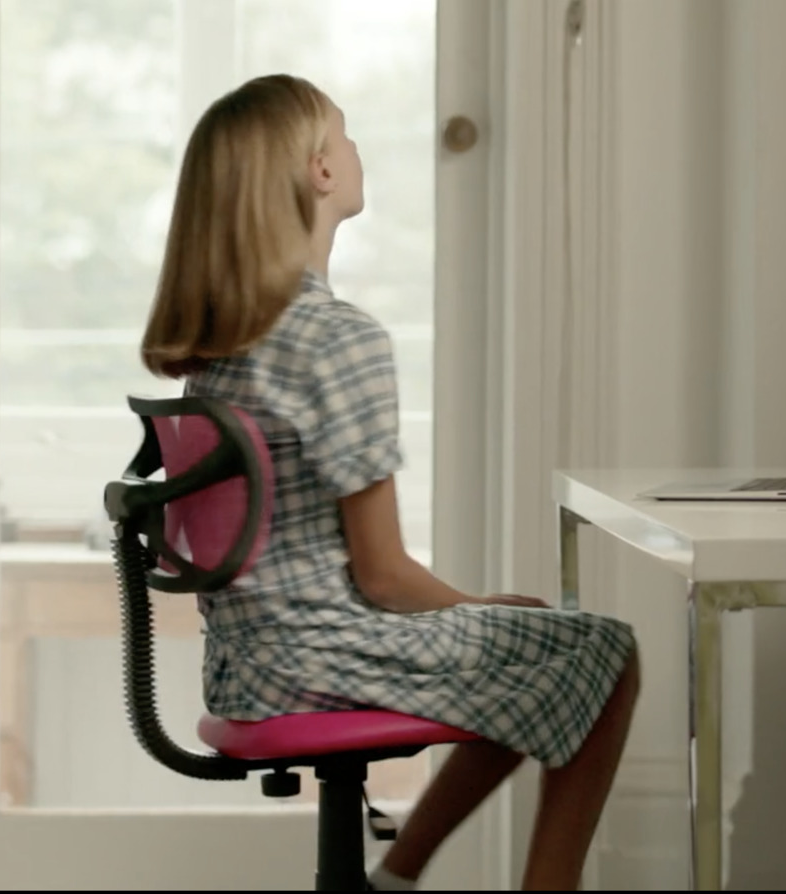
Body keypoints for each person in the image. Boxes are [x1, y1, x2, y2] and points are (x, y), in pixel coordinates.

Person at [139, 74, 641, 892]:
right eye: (345, 134)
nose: (356, 148)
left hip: (245, 664)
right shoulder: (336, 339)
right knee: (604, 655)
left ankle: (397, 877)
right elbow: (384, 574)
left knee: (530, 641)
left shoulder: (224, 353)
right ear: (320, 172)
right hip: (320, 658)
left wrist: (490, 618)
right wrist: (478, 608)